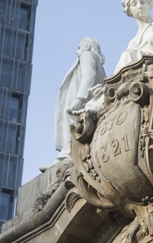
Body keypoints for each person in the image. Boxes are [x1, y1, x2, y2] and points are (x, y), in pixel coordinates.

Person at [42, 37, 106, 172]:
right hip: (88, 105)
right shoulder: (97, 62)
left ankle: (63, 160)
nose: (77, 52)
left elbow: (89, 75)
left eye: (79, 47)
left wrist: (79, 100)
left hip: (84, 105)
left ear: (87, 47)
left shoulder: (88, 55)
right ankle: (65, 157)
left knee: (75, 130)